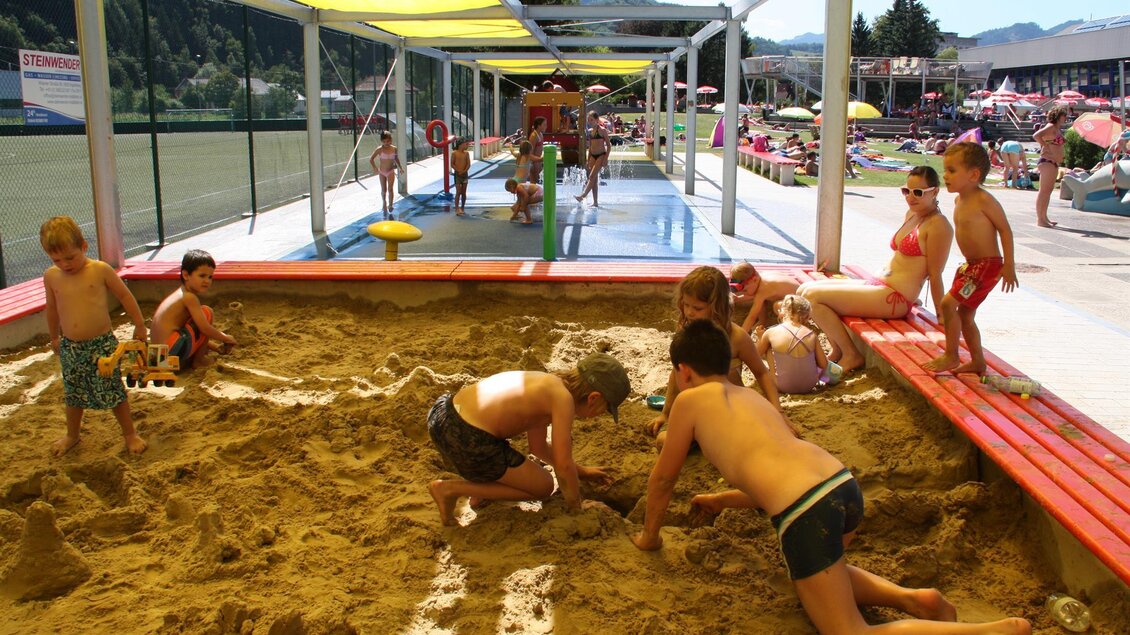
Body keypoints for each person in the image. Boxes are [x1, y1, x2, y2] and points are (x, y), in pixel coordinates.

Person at [631, 319, 1031, 635]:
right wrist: (721, 500)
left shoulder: (688, 402)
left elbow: (663, 480)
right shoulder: (752, 398)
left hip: (807, 511)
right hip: (840, 482)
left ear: (683, 372)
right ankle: (917, 599)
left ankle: (992, 631)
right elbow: (775, 479)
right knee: (826, 567)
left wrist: (650, 537)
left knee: (848, 630)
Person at [427, 352, 629, 526]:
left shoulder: (549, 384)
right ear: (593, 398)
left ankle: (481, 491)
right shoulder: (563, 401)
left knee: (500, 450)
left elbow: (538, 448)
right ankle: (450, 489)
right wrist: (578, 507)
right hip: (465, 439)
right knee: (543, 486)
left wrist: (582, 472)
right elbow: (563, 464)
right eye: (605, 410)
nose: (602, 415)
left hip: (443, 414)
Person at [799, 166, 953, 373]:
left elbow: (936, 274)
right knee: (805, 289)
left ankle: (851, 354)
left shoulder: (938, 225)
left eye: (918, 192)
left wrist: (941, 316)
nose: (910, 197)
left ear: (935, 192)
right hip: (880, 286)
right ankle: (837, 349)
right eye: (906, 191)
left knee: (812, 297)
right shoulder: (912, 214)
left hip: (895, 298)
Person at [39, 216, 148, 456]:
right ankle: (72, 434)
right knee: (74, 391)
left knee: (112, 389)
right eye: (56, 259)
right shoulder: (51, 276)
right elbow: (52, 308)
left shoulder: (99, 270)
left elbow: (125, 296)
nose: (65, 264)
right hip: (71, 346)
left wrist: (139, 324)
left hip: (101, 345)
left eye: (70, 257)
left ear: (84, 246)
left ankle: (130, 433)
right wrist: (54, 337)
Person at [646, 266, 780, 448]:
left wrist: (778, 411)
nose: (689, 313)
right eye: (686, 305)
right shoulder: (687, 334)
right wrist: (666, 414)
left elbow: (761, 373)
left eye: (697, 308)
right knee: (663, 441)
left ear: (717, 307)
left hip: (731, 408)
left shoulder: (737, 337)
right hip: (699, 411)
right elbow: (676, 374)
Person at [924, 143, 1018, 374]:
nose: (945, 175)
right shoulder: (959, 200)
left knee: (948, 304)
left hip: (986, 266)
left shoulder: (983, 200)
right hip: (972, 267)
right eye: (945, 170)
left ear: (973, 175)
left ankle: (951, 355)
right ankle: (978, 361)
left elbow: (1005, 230)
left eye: (952, 170)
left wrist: (1009, 266)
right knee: (965, 314)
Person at [150, 249, 238, 370]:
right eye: (202, 276)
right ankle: (200, 360)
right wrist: (225, 338)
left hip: (157, 356)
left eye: (210, 277)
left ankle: (191, 358)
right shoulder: (189, 297)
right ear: (186, 275)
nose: (207, 281)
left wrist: (215, 347)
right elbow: (204, 329)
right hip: (169, 352)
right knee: (207, 312)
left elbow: (197, 334)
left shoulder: (179, 294)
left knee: (197, 319)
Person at [757, 295, 832, 394]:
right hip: (809, 386)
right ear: (806, 317)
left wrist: (760, 337)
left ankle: (774, 375)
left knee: (769, 348)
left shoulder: (771, 332)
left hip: (783, 386)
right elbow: (824, 364)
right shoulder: (811, 334)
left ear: (781, 312)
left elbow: (756, 354)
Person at [729, 261, 800, 334]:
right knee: (758, 298)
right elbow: (753, 295)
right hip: (794, 296)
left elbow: (752, 317)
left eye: (745, 290)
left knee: (777, 306)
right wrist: (738, 298)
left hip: (800, 304)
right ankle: (762, 321)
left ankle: (789, 331)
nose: (745, 292)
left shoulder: (764, 288)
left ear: (755, 280)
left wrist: (741, 335)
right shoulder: (759, 278)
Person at [1033, 106, 1068, 227]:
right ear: (1059, 116)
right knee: (1043, 191)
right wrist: (1045, 146)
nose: (1066, 118)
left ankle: (1044, 217)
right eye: (1064, 115)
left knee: (1048, 191)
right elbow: (1037, 135)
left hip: (1053, 162)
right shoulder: (1051, 127)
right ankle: (1040, 219)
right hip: (1047, 161)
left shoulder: (1056, 129)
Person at [575, 111, 611, 207]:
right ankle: (595, 202)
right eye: (588, 120)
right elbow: (590, 147)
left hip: (601, 155)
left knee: (591, 177)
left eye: (591, 119)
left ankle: (583, 195)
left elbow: (609, 145)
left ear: (596, 120)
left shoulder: (602, 130)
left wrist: (606, 159)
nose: (589, 121)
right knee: (593, 180)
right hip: (593, 156)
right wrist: (588, 159)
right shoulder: (590, 131)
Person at [369, 131, 402, 214]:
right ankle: (384, 201)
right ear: (381, 141)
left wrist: (400, 168)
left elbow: (396, 158)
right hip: (382, 172)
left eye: (387, 141)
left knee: (390, 189)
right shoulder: (379, 149)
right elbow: (371, 159)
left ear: (390, 140)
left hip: (390, 171)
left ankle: (390, 204)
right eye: (384, 142)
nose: (386, 143)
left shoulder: (394, 148)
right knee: (384, 189)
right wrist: (375, 168)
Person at [451, 137, 471, 216]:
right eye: (466, 144)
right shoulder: (454, 153)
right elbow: (452, 164)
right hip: (457, 175)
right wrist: (458, 170)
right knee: (458, 192)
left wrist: (464, 170)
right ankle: (456, 208)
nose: (467, 146)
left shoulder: (466, 154)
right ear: (460, 145)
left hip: (464, 175)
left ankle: (462, 207)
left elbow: (468, 164)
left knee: (463, 192)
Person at [528, 116, 546, 185]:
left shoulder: (540, 135)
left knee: (538, 184)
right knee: (533, 184)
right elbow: (530, 154)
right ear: (539, 126)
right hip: (534, 163)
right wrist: (540, 159)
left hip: (538, 162)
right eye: (544, 125)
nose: (546, 126)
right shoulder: (533, 136)